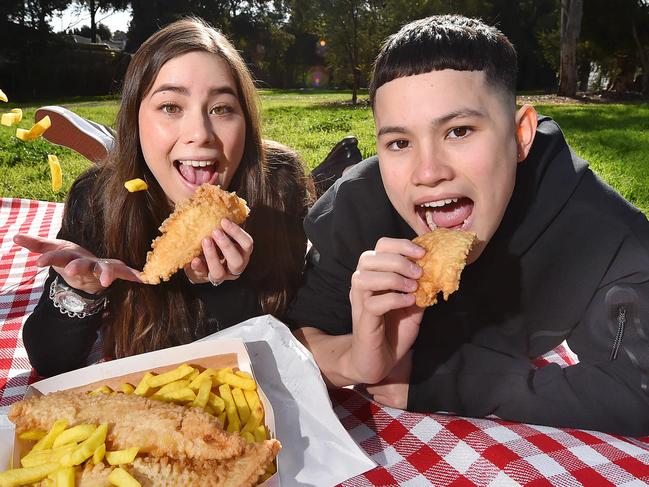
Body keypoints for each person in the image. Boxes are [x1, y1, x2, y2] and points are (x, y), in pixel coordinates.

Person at [286, 15, 649, 436]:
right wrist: (356, 360)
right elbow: (298, 338)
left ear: (521, 135)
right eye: (399, 143)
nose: (428, 172)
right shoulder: (359, 207)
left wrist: (447, 382)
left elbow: (638, 387)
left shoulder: (602, 231)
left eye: (459, 131)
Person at [14, 17, 313, 377]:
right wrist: (81, 290)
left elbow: (294, 352)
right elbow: (50, 362)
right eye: (171, 107)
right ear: (134, 120)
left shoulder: (279, 187)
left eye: (221, 108)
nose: (200, 133)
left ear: (245, 122)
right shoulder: (96, 199)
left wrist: (226, 288)